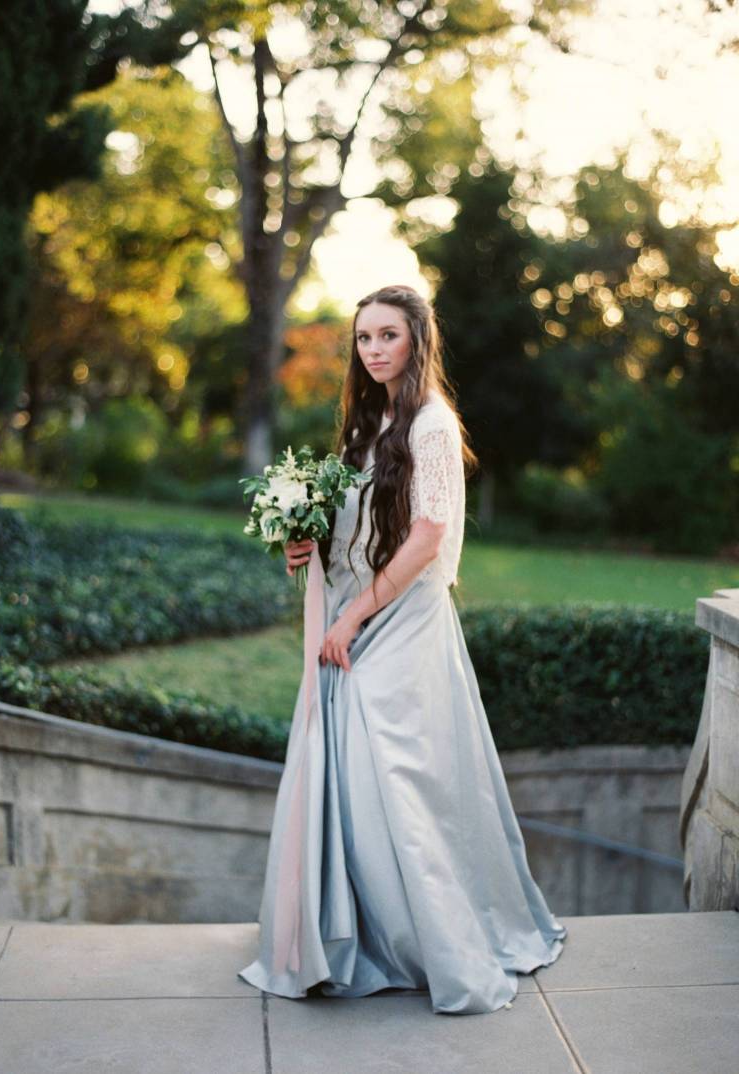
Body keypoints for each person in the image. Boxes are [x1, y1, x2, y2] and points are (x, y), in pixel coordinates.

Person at [237, 284, 567, 1015]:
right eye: (363, 338)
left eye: (388, 335)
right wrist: (307, 540)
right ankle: (359, 932)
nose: (375, 350)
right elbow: (354, 517)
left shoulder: (432, 425)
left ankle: (435, 941)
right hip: (358, 602)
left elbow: (429, 536)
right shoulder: (365, 422)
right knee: (352, 763)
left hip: (403, 617)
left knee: (390, 762)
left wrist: (351, 618)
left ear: (418, 340)